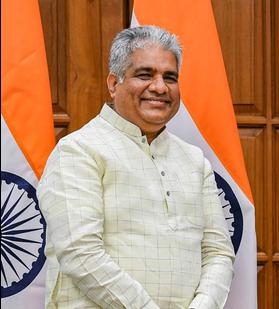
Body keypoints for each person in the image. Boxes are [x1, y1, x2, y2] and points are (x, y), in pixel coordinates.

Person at [38, 26, 235, 309]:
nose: (160, 87)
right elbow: (80, 254)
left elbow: (218, 252)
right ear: (113, 82)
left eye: (170, 77)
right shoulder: (78, 151)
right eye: (145, 74)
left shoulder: (193, 160)